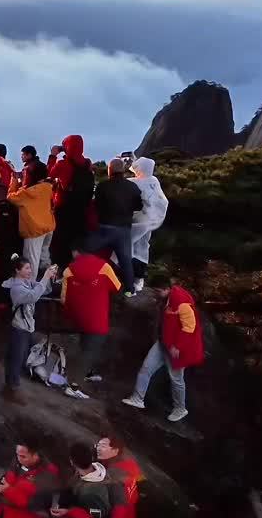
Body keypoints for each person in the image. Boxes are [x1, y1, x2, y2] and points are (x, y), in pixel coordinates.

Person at [122, 270, 203, 421]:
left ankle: (180, 409)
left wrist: (178, 346)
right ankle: (137, 399)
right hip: (164, 343)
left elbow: (190, 326)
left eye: (158, 291)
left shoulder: (182, 302)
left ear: (166, 289)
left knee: (176, 379)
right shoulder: (165, 299)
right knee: (146, 368)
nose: (155, 294)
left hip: (179, 349)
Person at [59, 246, 122, 398]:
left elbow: (63, 298)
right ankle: (73, 387)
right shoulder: (104, 267)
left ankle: (86, 373)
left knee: (84, 347)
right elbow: (117, 286)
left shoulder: (68, 271)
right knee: (89, 352)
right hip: (97, 318)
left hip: (78, 317)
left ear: (77, 252)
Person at [50, 441, 131, 518]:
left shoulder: (93, 491)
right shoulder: (104, 475)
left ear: (72, 462)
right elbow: (120, 501)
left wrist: (68, 512)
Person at [1, 256, 59, 394]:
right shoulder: (16, 288)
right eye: (26, 268)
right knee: (16, 357)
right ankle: (12, 386)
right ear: (17, 270)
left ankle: (12, 383)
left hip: (26, 327)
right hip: (19, 327)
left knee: (19, 357)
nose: (30, 270)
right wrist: (45, 276)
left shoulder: (27, 283)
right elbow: (33, 296)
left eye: (30, 267)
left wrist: (49, 277)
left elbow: (43, 290)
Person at [0, 441, 60, 518]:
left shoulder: (49, 474)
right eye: (17, 454)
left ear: (36, 455)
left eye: (23, 456)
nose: (19, 458)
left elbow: (33, 502)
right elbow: (7, 479)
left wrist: (7, 489)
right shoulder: (17, 464)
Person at [92, 157, 144, 290]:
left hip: (105, 227)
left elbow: (96, 206)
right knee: (126, 261)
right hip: (124, 228)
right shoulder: (132, 187)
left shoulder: (103, 186)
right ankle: (129, 291)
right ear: (123, 170)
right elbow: (139, 206)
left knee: (98, 258)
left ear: (110, 170)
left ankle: (96, 284)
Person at [48, 135, 94, 267]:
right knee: (76, 242)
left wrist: (53, 156)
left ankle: (60, 270)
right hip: (82, 209)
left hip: (63, 208)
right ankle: (78, 268)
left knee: (60, 242)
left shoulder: (63, 164)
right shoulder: (87, 164)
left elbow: (48, 174)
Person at [128, 157, 170, 293]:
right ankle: (138, 280)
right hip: (147, 223)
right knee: (142, 249)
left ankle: (129, 281)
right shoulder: (154, 181)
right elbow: (163, 202)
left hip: (135, 222)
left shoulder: (134, 183)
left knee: (128, 249)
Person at [94, 433, 145, 518]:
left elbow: (119, 500)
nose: (98, 448)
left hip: (120, 514)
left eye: (103, 446)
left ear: (115, 451)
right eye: (97, 445)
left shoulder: (114, 473)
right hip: (130, 509)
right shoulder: (129, 465)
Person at [11, 167, 56, 276]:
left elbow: (11, 197)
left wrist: (14, 181)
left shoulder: (27, 193)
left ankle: (31, 289)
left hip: (33, 230)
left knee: (31, 261)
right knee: (44, 258)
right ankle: (47, 287)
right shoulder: (47, 188)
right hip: (48, 227)